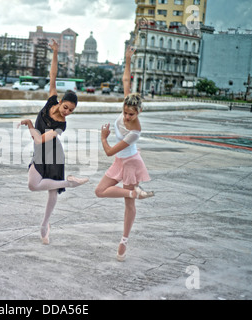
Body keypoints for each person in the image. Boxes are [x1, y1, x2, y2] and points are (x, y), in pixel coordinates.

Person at [18, 39, 89, 245]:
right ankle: (70, 182)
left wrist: (31, 124)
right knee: (33, 185)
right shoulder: (51, 101)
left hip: (52, 153)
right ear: (60, 102)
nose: (67, 112)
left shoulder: (61, 125)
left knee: (51, 192)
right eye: (66, 107)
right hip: (40, 151)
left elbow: (39, 139)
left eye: (71, 111)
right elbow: (53, 76)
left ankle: (45, 225)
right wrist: (55, 52)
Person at [95, 46, 155, 262]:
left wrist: (104, 137)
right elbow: (125, 80)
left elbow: (110, 151)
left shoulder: (135, 132)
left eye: (131, 114)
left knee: (129, 206)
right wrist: (128, 59)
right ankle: (133, 192)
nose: (127, 117)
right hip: (121, 161)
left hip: (130, 163)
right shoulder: (128, 102)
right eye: (125, 112)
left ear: (139, 112)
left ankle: (124, 242)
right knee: (100, 191)